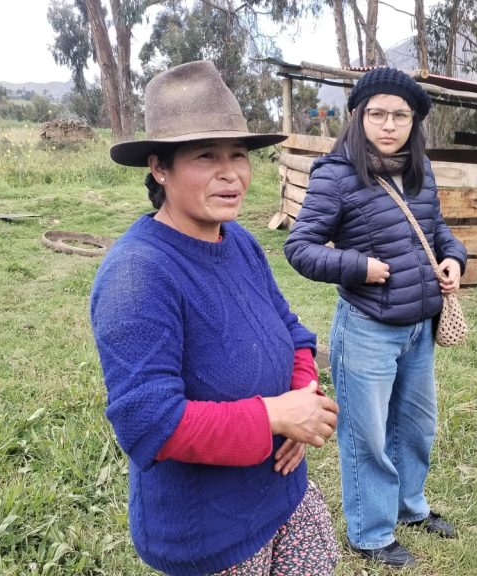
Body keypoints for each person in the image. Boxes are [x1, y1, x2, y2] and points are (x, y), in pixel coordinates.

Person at [90, 60, 340, 576]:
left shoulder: (240, 242)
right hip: (209, 534)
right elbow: (149, 424)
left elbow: (293, 332)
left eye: (240, 155)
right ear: (160, 167)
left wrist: (304, 401)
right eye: (207, 156)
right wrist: (274, 416)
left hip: (283, 495)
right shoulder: (138, 275)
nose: (232, 174)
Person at [283, 67, 467, 568]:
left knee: (415, 427)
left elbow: (439, 231)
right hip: (367, 328)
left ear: (414, 122)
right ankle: (371, 532)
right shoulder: (335, 175)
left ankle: (410, 508)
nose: (389, 124)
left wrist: (454, 258)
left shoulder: (419, 171)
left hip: (418, 329)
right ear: (359, 117)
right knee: (367, 434)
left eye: (400, 115)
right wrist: (358, 266)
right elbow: (298, 248)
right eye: (378, 113)